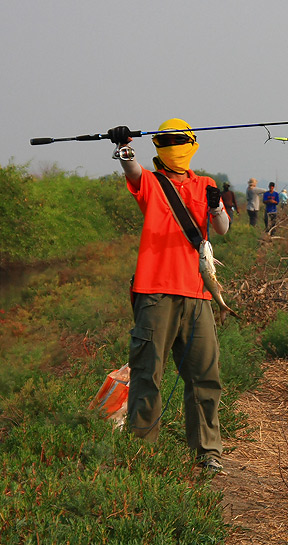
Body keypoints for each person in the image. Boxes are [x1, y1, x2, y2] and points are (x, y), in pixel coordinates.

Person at [108, 119, 229, 473]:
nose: (175, 147)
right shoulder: (151, 182)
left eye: (180, 140)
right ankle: (141, 452)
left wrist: (217, 205)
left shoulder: (205, 184)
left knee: (205, 377)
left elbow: (221, 228)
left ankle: (208, 451)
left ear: (192, 145)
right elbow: (132, 171)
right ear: (159, 146)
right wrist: (124, 148)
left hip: (198, 295)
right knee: (148, 373)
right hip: (154, 293)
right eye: (169, 141)